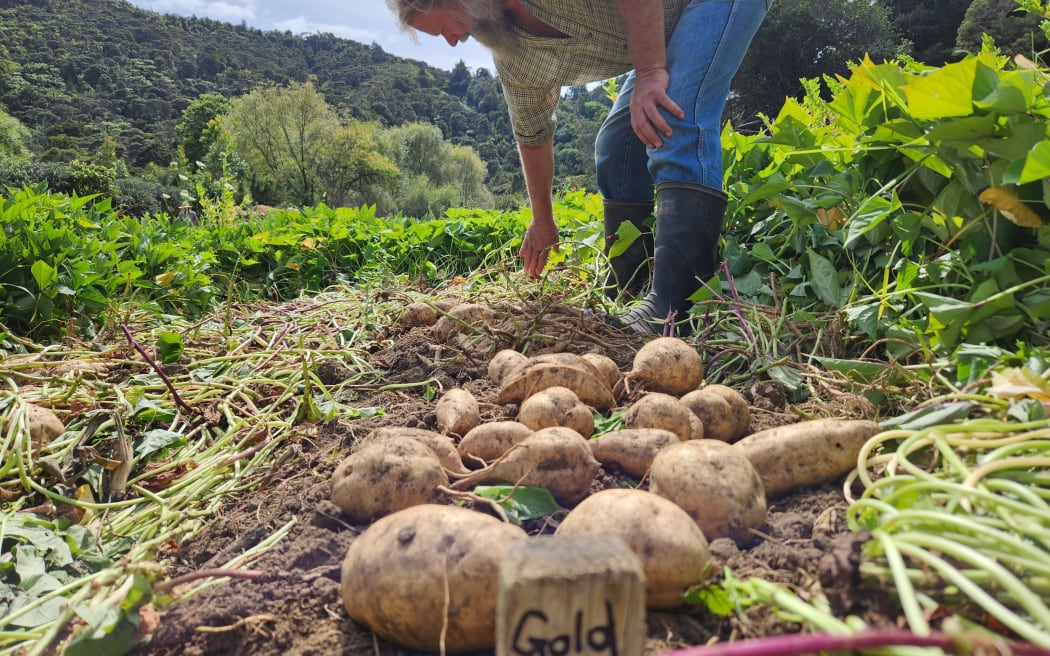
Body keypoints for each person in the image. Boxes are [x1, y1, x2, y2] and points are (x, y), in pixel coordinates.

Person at [385, 0, 769, 335]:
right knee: (617, 145)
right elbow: (532, 134)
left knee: (673, 118)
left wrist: (651, 72)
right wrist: (542, 220)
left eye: (442, 28)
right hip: (661, 27)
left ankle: (677, 309)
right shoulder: (515, 54)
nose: (453, 41)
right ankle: (629, 285)